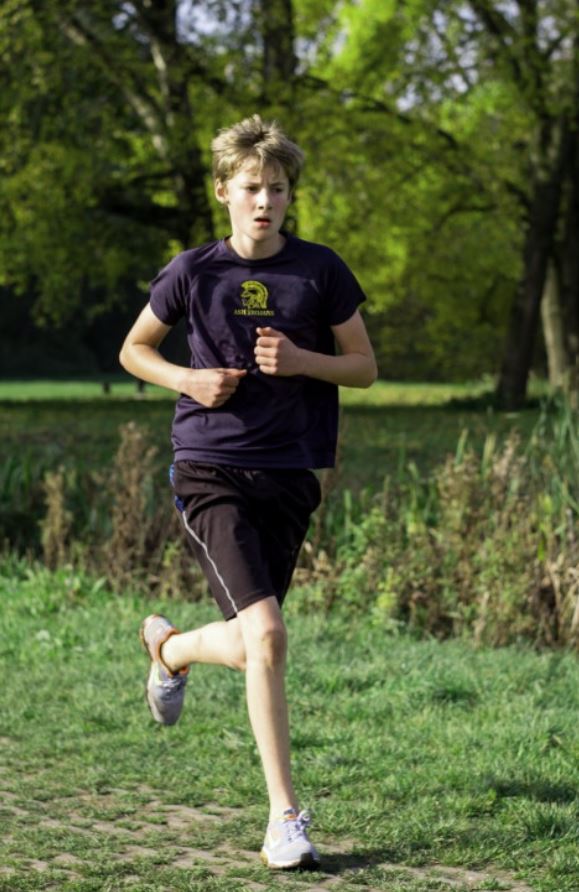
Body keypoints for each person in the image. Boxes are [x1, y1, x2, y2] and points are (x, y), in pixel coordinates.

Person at [119, 114, 377, 870]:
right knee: (266, 637)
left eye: (279, 189)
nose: (265, 201)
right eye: (253, 187)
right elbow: (134, 349)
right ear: (224, 191)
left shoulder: (320, 270)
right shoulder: (192, 270)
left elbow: (362, 367)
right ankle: (284, 818)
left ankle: (169, 648)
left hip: (291, 473)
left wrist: (302, 359)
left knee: (251, 639)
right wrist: (187, 378)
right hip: (209, 465)